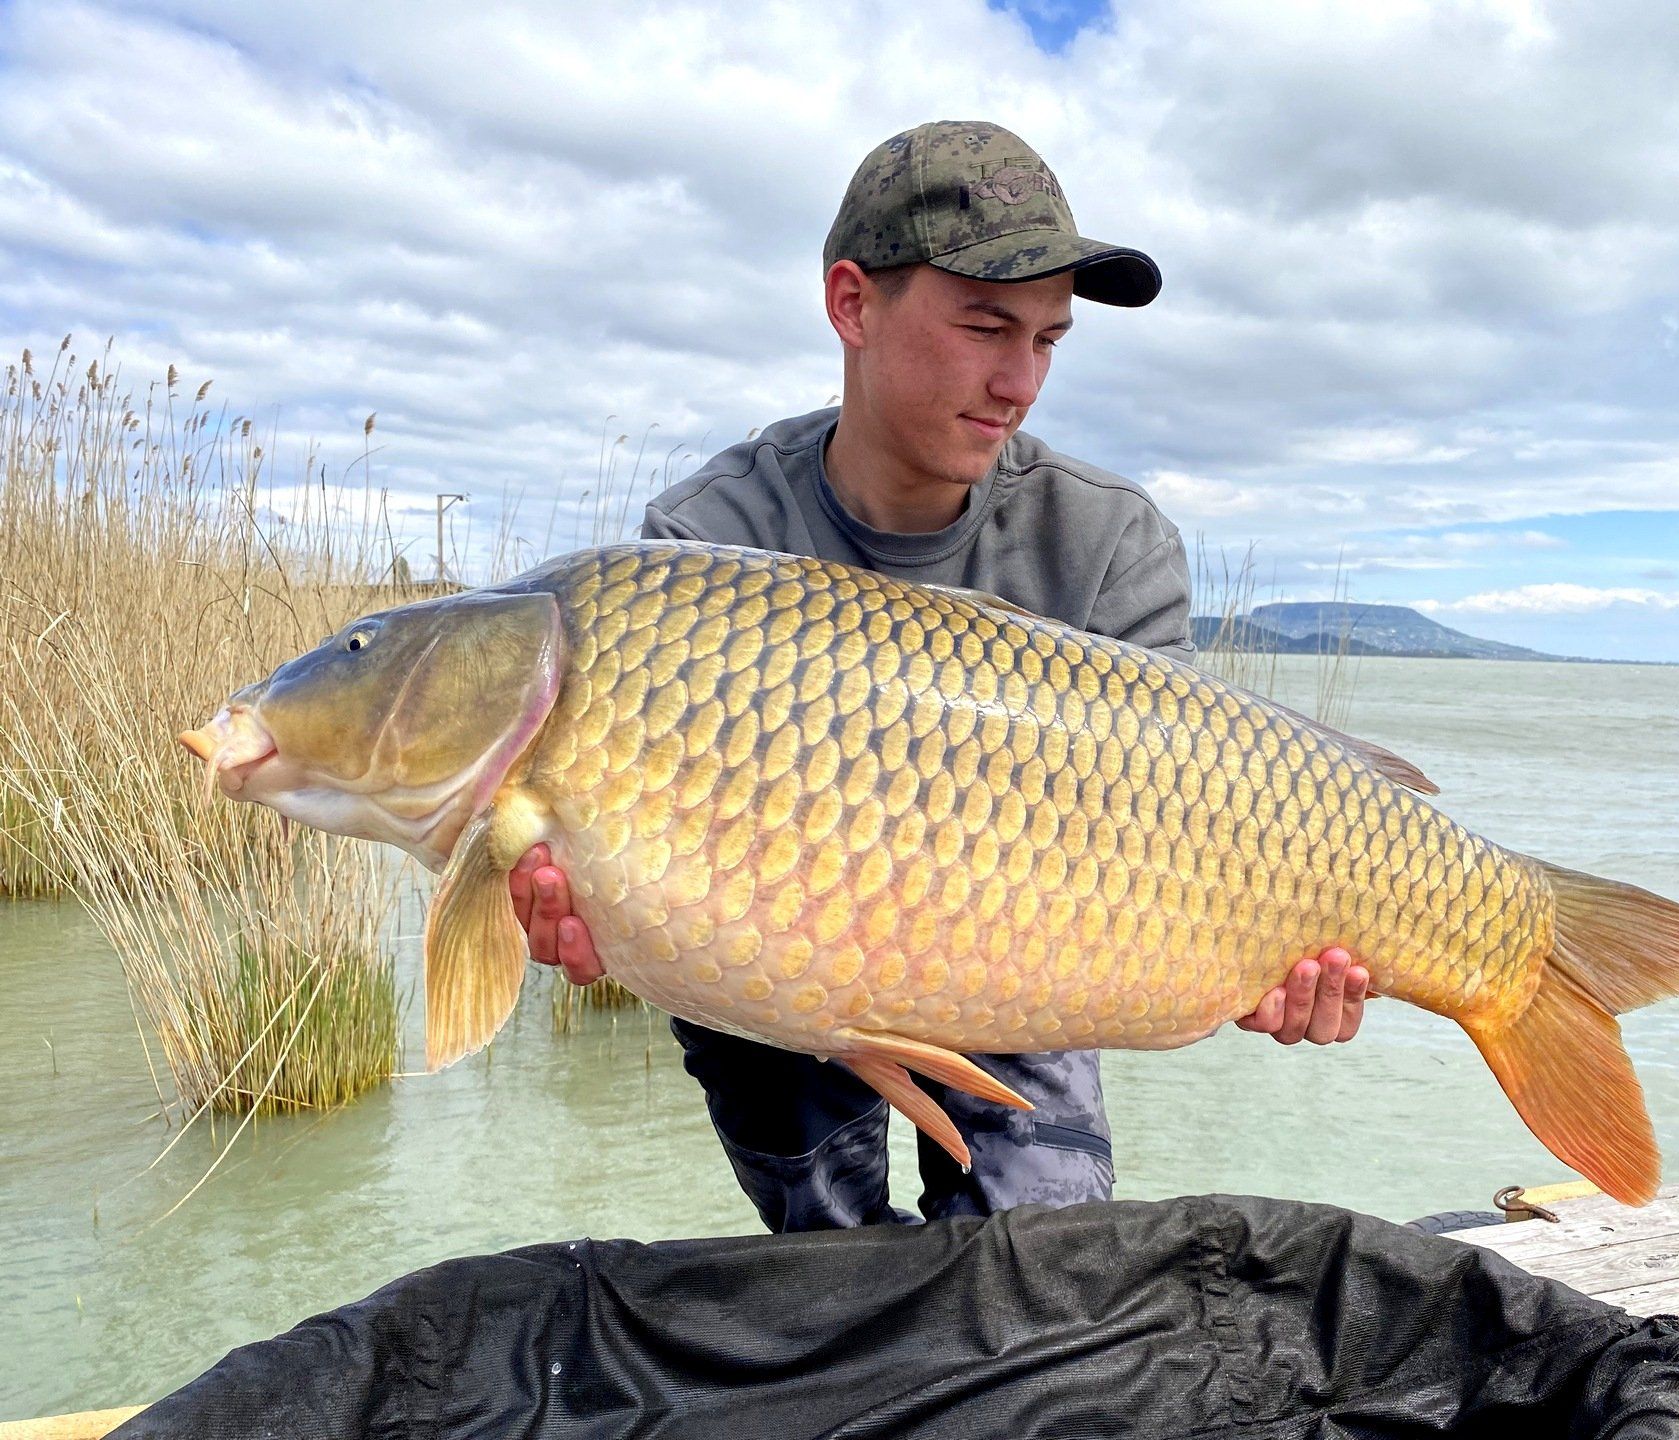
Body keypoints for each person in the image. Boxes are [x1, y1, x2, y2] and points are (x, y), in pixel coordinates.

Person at [509, 120, 1370, 1232]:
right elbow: (631, 862)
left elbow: (1173, 829)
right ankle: (837, 1284)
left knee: (1038, 1260)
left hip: (1026, 942)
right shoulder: (703, 543)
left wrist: (1270, 956)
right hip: (781, 971)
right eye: (983, 327)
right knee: (829, 1272)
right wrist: (600, 921)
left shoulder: (1107, 542)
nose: (1018, 382)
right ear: (852, 304)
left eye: (1049, 342)